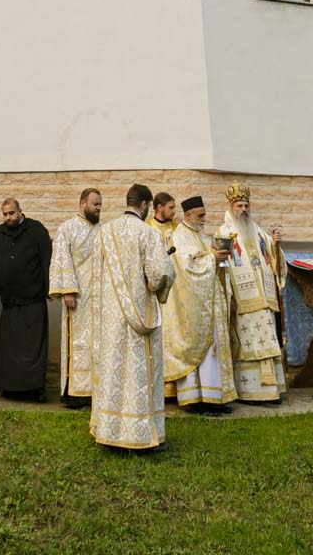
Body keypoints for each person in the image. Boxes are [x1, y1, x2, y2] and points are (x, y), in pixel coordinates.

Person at [89, 183, 175, 449]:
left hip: (110, 318)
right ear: (145, 205)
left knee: (114, 374)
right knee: (138, 376)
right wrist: (163, 282)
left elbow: (96, 273)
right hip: (139, 317)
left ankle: (109, 430)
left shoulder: (104, 232)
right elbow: (160, 274)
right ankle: (139, 435)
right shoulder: (147, 233)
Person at [161, 196, 235, 414]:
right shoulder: (180, 236)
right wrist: (212, 258)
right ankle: (197, 399)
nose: (204, 219)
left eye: (204, 214)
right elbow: (187, 266)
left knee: (212, 352)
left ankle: (214, 397)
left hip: (208, 304)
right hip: (193, 308)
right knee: (199, 351)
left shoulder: (199, 235)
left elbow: (205, 258)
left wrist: (217, 258)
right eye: (200, 215)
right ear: (188, 216)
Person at [216, 182, 285, 403]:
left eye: (246, 205)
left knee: (268, 342)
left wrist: (275, 246)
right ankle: (250, 392)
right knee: (249, 344)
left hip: (264, 300)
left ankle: (272, 390)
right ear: (231, 207)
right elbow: (220, 267)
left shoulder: (258, 232)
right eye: (239, 205)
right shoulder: (224, 232)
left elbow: (273, 262)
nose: (244, 209)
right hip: (243, 301)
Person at [0, 198, 53, 401]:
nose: (8, 217)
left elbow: (46, 260)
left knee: (33, 349)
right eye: (5, 214)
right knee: (10, 349)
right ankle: (10, 387)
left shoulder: (36, 230)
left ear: (20, 211)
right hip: (10, 301)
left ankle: (35, 389)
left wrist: (49, 288)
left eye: (11, 213)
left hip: (33, 299)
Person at [47, 188, 103, 409]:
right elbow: (61, 259)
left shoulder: (103, 230)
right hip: (78, 297)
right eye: (95, 204)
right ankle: (75, 392)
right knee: (78, 343)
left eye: (100, 205)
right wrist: (68, 290)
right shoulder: (67, 229)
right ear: (82, 204)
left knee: (97, 344)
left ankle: (94, 391)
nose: (99, 208)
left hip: (99, 298)